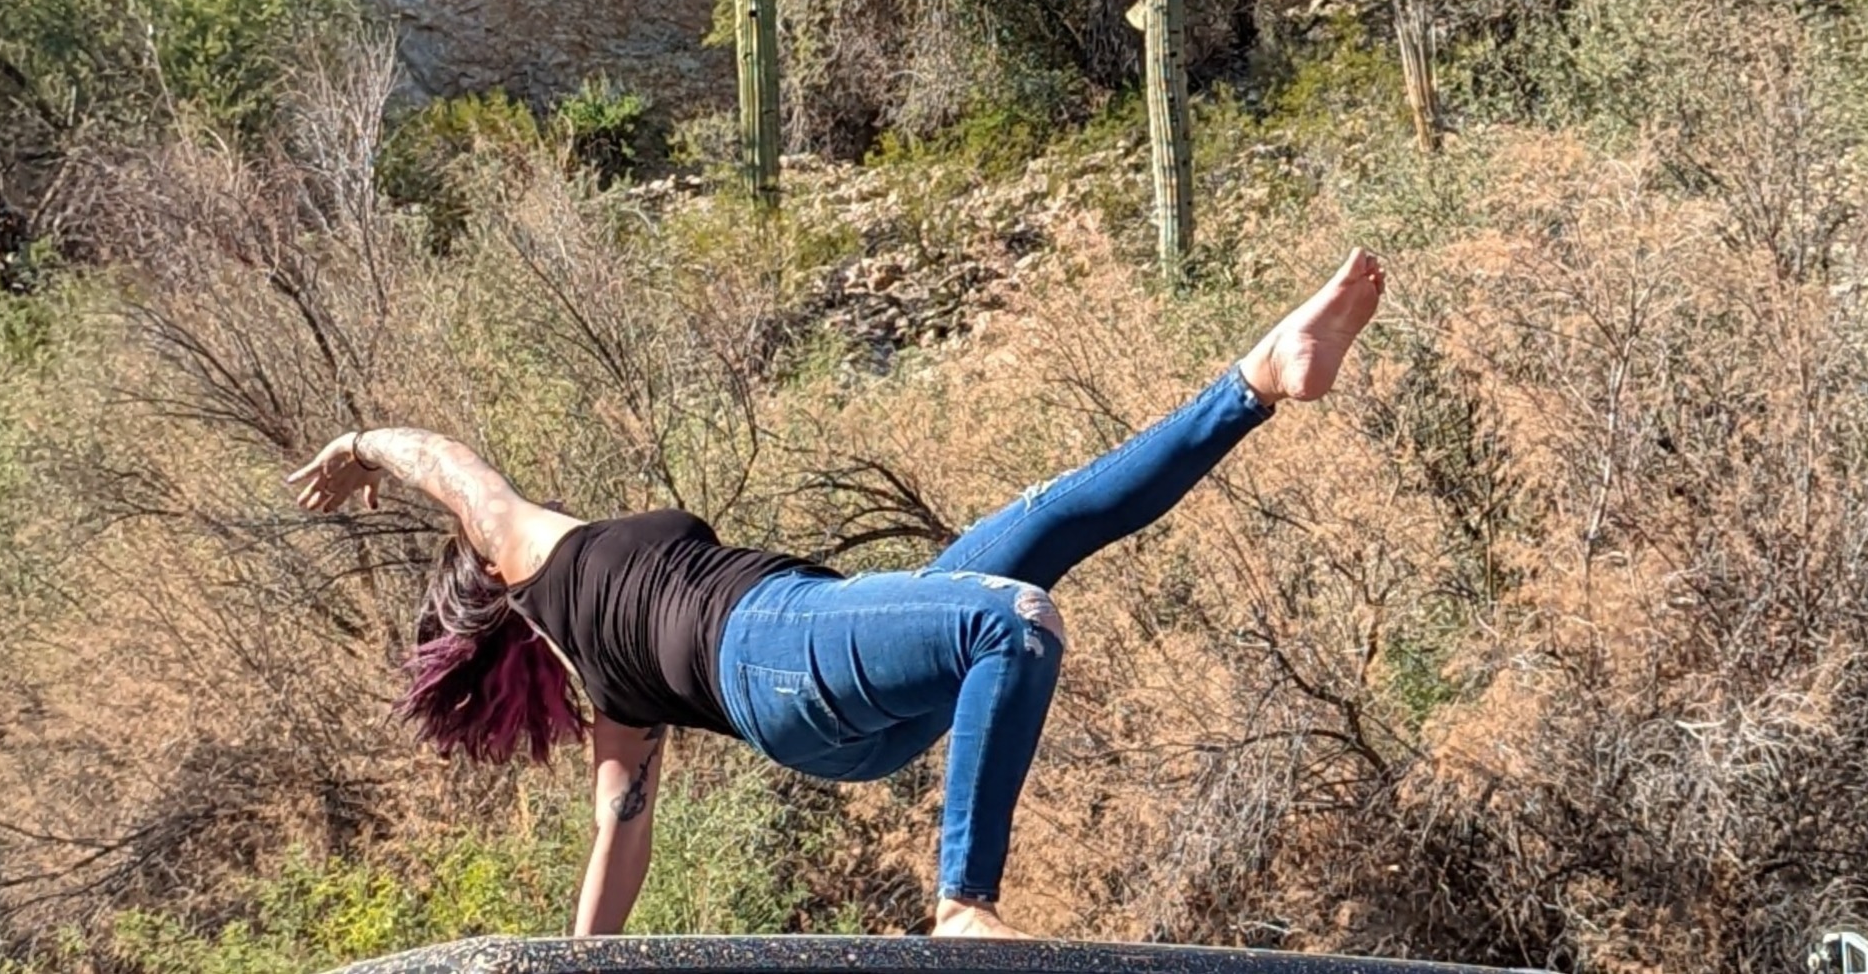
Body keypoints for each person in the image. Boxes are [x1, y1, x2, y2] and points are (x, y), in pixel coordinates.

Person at [288, 250, 1384, 940]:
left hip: (822, 694)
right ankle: (962, 905)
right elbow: (437, 454)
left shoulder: (618, 704)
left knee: (1041, 528)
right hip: (780, 647)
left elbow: (619, 833)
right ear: (486, 580)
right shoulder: (526, 549)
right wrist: (358, 443)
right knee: (1011, 621)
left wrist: (582, 961)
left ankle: (1258, 379)